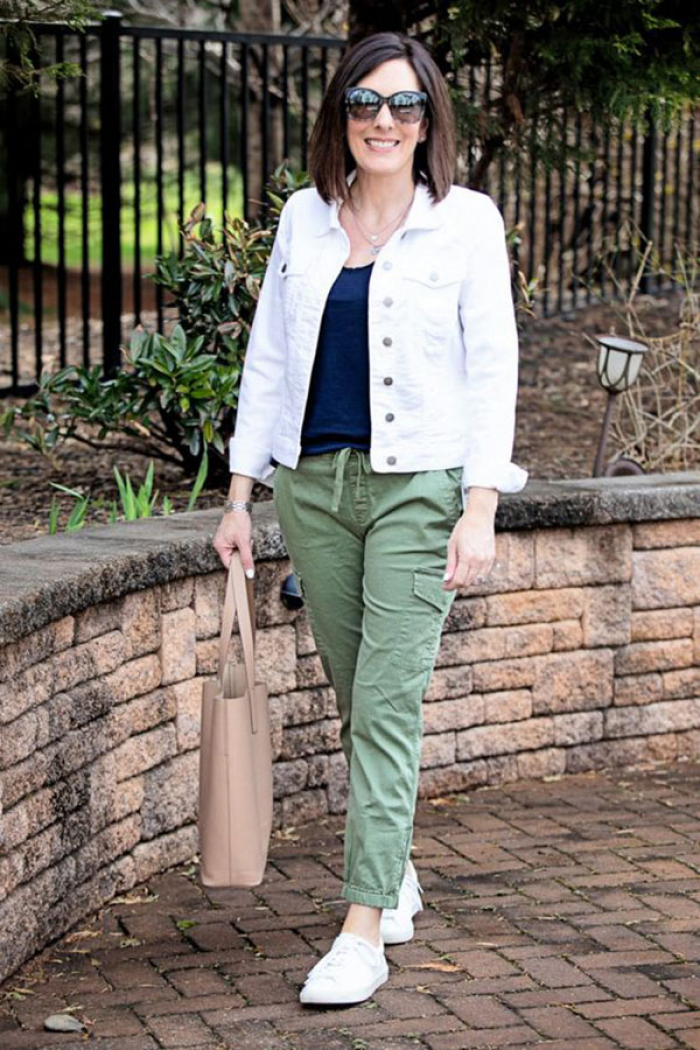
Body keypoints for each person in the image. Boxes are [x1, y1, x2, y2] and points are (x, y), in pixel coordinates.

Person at [213, 30, 528, 1007]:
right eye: (363, 102)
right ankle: (392, 865)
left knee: (388, 705)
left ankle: (361, 929)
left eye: (401, 104)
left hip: (417, 492)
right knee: (360, 698)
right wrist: (237, 495)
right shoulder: (306, 220)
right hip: (313, 490)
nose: (381, 121)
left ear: (427, 118)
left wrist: (480, 507)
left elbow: (494, 366)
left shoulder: (466, 222)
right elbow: (267, 357)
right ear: (339, 117)